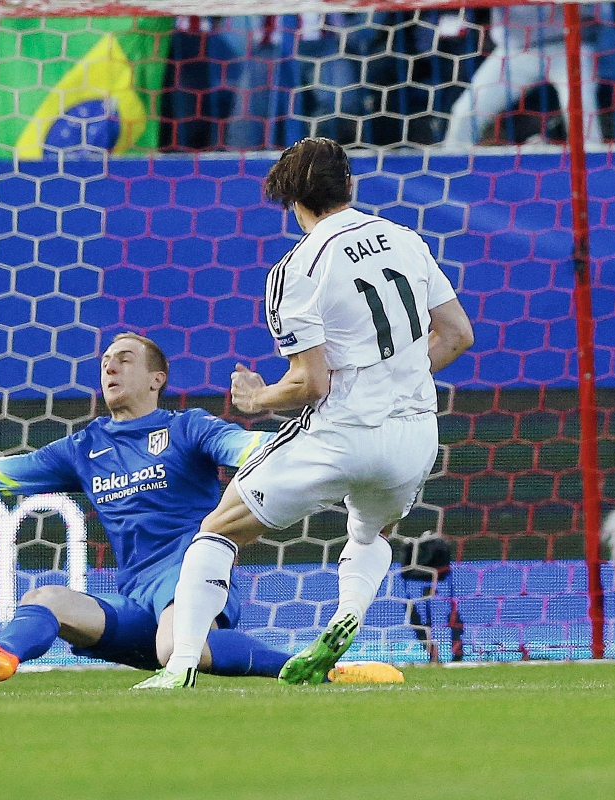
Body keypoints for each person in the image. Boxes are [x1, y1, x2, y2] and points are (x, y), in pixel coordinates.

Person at [0, 332, 402, 685]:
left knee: (180, 650)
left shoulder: (187, 428)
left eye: (124, 358)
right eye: (105, 361)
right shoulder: (84, 447)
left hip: (189, 583)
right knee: (47, 598)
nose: (110, 367)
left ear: (158, 378)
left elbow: (245, 447)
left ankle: (318, 668)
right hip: (135, 601)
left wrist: (297, 450)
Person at [139, 137, 474, 689]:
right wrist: (400, 380)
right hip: (415, 438)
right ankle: (347, 620)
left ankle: (177, 668)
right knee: (370, 535)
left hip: (341, 434)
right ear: (350, 187)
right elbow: (459, 334)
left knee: (217, 531)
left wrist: (256, 398)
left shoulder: (298, 268)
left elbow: (309, 383)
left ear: (291, 202)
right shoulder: (405, 240)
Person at [441, 4, 602, 148]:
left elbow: (592, 13)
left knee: (581, 110)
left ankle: (594, 172)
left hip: (568, 46)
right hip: (513, 50)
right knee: (464, 113)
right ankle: (452, 174)